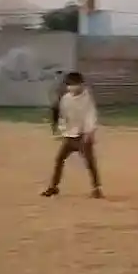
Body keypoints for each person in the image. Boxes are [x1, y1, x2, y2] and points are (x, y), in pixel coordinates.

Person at [41, 71, 103, 199]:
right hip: (70, 136)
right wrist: (61, 130)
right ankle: (54, 187)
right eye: (69, 84)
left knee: (90, 162)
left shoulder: (87, 98)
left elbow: (90, 116)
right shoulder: (66, 98)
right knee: (59, 159)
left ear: (81, 84)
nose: (71, 87)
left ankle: (97, 189)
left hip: (83, 136)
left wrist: (89, 132)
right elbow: (63, 115)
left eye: (74, 84)